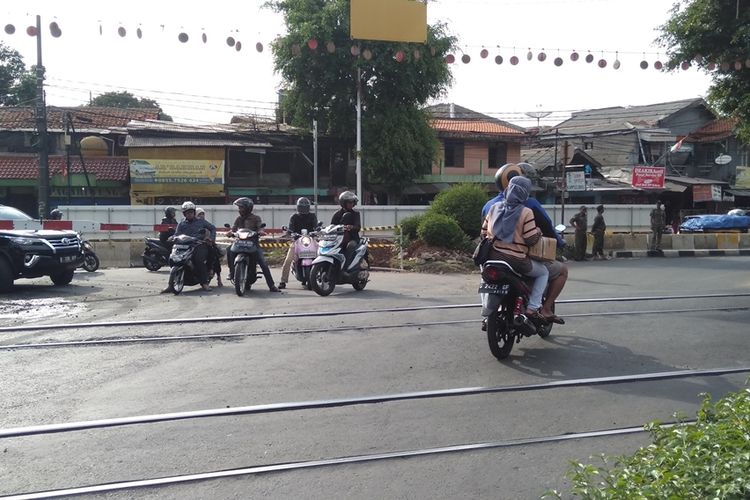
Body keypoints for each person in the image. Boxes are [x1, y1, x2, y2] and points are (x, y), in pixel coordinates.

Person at [481, 163, 568, 322]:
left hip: (492, 256)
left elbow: (483, 234)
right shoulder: (528, 207)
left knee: (484, 276)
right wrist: (553, 240)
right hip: (518, 260)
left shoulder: (491, 206)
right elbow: (539, 233)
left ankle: (487, 312)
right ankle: (537, 308)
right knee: (545, 272)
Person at [226, 197, 280, 292]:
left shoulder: (256, 218)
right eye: (239, 208)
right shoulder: (238, 219)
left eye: (241, 207)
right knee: (229, 250)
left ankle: (271, 286)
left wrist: (261, 231)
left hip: (253, 243)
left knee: (263, 263)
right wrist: (230, 232)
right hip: (239, 243)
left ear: (247, 208)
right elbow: (234, 229)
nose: (239, 210)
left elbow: (260, 228)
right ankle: (231, 272)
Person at [161, 201, 216, 293]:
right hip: (183, 245)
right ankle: (170, 285)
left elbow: (212, 228)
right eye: (187, 213)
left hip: (198, 245)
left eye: (191, 212)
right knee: (173, 258)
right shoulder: (181, 223)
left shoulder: (201, 222)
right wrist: (172, 237)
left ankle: (204, 283)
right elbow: (177, 234)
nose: (189, 214)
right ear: (184, 214)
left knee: (199, 260)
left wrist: (211, 238)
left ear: (194, 213)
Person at [279, 197, 318, 289]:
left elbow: (316, 227)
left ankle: (323, 276)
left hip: (310, 240)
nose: (304, 209)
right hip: (297, 240)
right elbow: (290, 228)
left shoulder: (312, 216)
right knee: (288, 260)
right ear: (298, 207)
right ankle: (283, 281)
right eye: (302, 207)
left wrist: (317, 230)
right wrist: (290, 233)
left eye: (305, 207)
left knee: (321, 255)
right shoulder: (294, 217)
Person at [331, 191, 362, 267]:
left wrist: (351, 227)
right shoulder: (337, 214)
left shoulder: (356, 214)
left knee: (350, 246)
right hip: (338, 238)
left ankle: (346, 265)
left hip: (352, 238)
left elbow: (358, 227)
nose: (351, 204)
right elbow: (331, 226)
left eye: (352, 202)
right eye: (349, 202)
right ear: (343, 203)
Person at [196, 207, 223, 287]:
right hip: (195, 244)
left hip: (207, 243)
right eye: (199, 214)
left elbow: (213, 229)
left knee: (213, 253)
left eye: (202, 214)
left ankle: (216, 274)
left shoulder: (205, 223)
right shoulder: (192, 223)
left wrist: (211, 240)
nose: (201, 216)